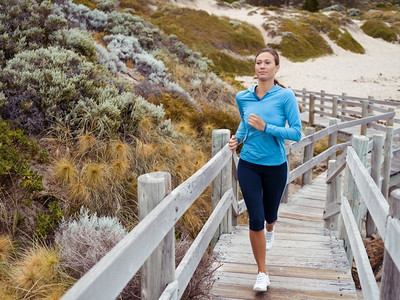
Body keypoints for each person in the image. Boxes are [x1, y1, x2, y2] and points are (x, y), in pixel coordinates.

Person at [228, 48, 302, 292]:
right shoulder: (243, 97)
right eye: (258, 62)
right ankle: (262, 272)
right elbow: (244, 122)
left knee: (270, 215)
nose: (262, 66)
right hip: (248, 164)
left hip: (275, 166)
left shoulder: (285, 96)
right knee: (255, 219)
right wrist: (237, 139)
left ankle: (272, 229)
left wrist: (266, 127)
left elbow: (296, 133)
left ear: (276, 67)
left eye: (267, 62)